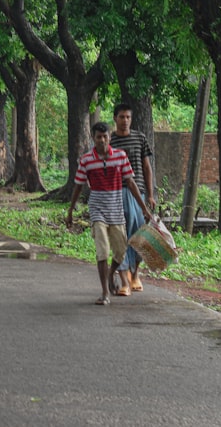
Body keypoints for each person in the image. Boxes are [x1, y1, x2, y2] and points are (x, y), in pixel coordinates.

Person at [65, 122, 149, 306]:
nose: (102, 140)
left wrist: (144, 207)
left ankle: (111, 274)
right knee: (102, 250)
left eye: (105, 137)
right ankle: (104, 292)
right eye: (98, 137)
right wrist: (71, 210)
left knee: (120, 251)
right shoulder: (86, 160)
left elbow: (131, 183)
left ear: (109, 138)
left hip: (116, 209)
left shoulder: (120, 157)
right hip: (97, 210)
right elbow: (78, 186)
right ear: (93, 139)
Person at [110, 103, 157, 294]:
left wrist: (150, 194)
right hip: (116, 192)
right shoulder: (110, 140)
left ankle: (135, 273)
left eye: (128, 117)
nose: (125, 121)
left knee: (139, 236)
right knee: (121, 235)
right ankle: (123, 276)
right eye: (121, 117)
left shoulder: (139, 138)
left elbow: (147, 167)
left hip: (138, 194)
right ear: (115, 118)